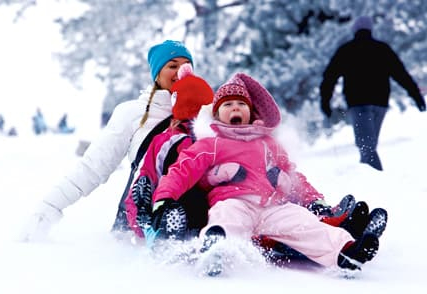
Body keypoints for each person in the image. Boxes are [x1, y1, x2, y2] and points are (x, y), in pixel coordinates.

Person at [151, 73, 380, 274]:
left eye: (241, 105)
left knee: (304, 223)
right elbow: (183, 169)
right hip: (234, 201)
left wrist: (292, 185)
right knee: (226, 218)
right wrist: (164, 199)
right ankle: (214, 248)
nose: (235, 108)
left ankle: (346, 251)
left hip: (273, 207)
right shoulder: (212, 143)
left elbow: (295, 176)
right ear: (218, 115)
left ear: (251, 113)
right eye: (228, 104)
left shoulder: (268, 143)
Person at [20, 40, 195, 242]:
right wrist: (49, 207)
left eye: (186, 65)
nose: (181, 72)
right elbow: (93, 167)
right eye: (172, 66)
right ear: (157, 74)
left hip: (197, 219)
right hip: (140, 224)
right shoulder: (132, 113)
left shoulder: (207, 114)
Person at [320, 16, 426, 171]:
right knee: (369, 145)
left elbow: (329, 78)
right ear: (370, 30)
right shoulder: (383, 49)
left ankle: (375, 180)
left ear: (355, 30)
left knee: (366, 146)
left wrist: (325, 102)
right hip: (380, 104)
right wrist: (416, 96)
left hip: (358, 103)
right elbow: (401, 75)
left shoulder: (346, 50)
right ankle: (372, 180)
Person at [125, 63, 213, 242]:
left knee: (159, 189)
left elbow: (147, 174)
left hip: (169, 199)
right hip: (200, 204)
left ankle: (156, 227)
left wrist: (135, 218)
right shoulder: (215, 140)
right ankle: (164, 225)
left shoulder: (165, 140)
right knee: (194, 198)